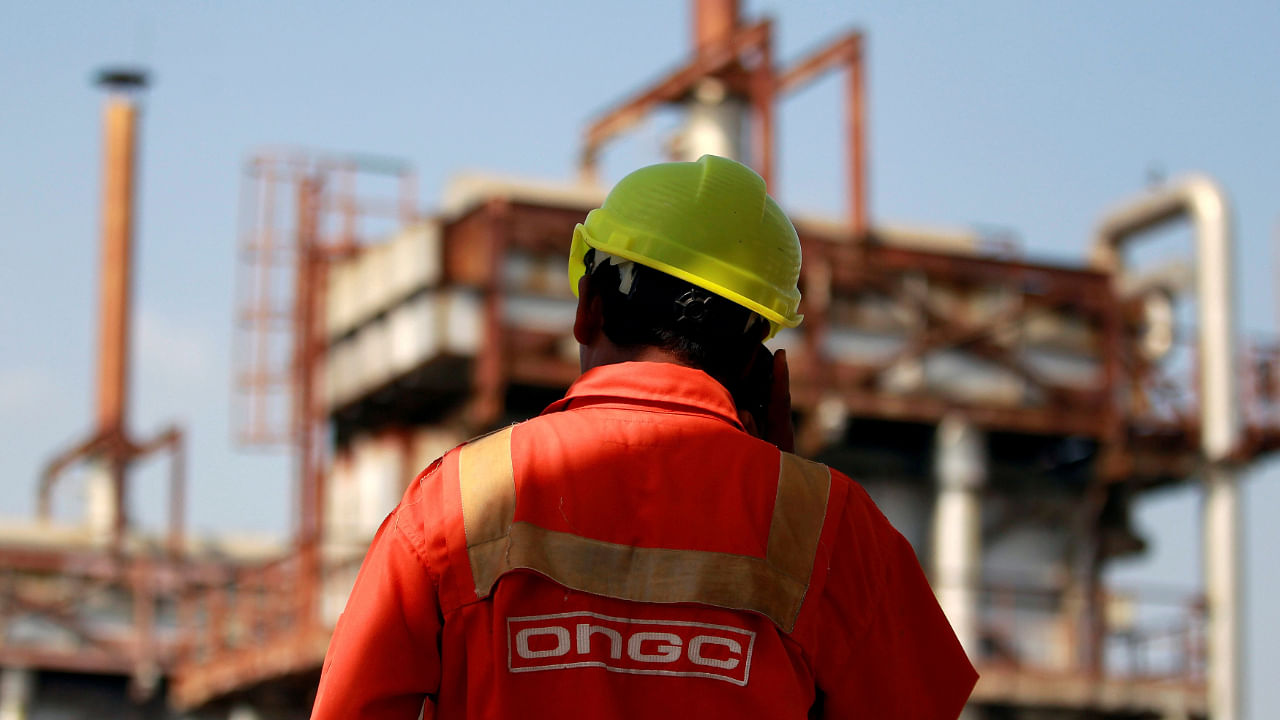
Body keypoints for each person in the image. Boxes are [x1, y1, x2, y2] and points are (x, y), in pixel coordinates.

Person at [310, 155, 977, 719]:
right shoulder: (829, 526)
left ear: (587, 309)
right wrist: (785, 484)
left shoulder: (456, 501)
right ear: (759, 359)